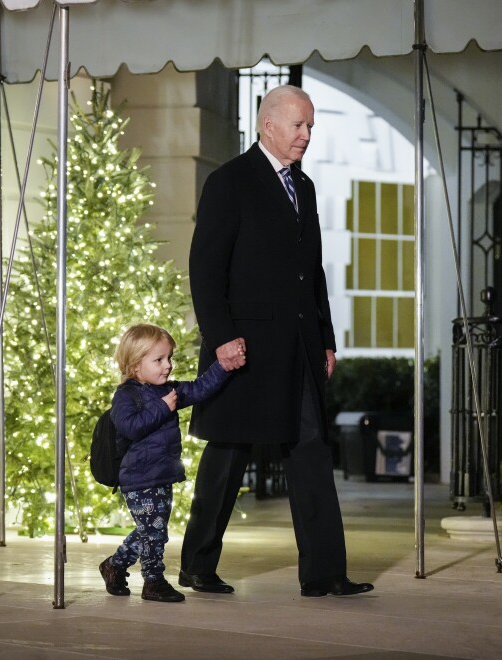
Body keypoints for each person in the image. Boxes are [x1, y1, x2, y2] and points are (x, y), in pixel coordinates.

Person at [179, 84, 373, 598]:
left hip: (299, 347)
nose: (306, 135)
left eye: (310, 126)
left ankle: (325, 572)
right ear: (268, 124)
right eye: (298, 125)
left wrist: (326, 337)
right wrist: (220, 338)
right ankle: (197, 564)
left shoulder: (303, 187)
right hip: (243, 348)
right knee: (227, 455)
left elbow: (313, 273)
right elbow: (205, 269)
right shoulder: (229, 182)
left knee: (310, 451)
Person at [99, 323, 235, 602]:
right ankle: (153, 581)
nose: (168, 365)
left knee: (151, 530)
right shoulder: (126, 396)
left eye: (169, 358)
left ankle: (114, 565)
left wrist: (223, 366)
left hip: (164, 473)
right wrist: (163, 408)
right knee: (154, 532)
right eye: (159, 360)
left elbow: (199, 389)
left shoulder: (170, 389)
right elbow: (131, 428)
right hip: (138, 478)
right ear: (136, 366)